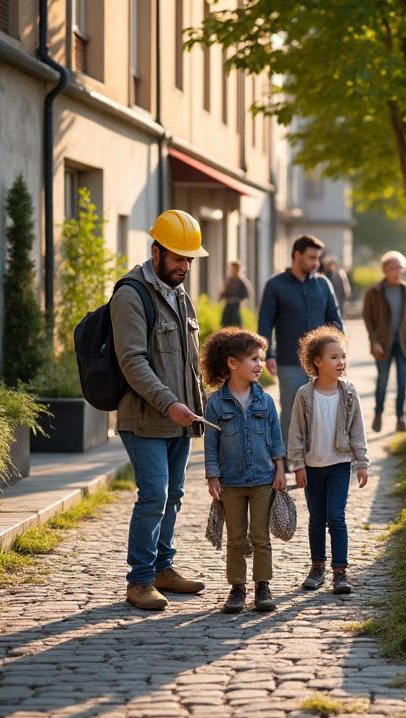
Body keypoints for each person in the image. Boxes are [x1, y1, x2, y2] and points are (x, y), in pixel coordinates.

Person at [111, 209, 209, 611]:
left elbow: (188, 359)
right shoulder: (130, 295)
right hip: (145, 419)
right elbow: (132, 361)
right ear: (156, 252)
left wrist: (200, 403)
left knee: (175, 496)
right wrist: (169, 403)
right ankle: (139, 580)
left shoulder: (179, 293)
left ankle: (164, 568)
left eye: (190, 259)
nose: (185, 266)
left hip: (179, 422)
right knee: (154, 495)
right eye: (178, 258)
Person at [201, 328, 285, 615]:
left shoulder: (266, 401)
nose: (259, 364)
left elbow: (276, 439)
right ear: (232, 363)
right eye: (253, 359)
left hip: (263, 479)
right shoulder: (215, 404)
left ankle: (263, 586)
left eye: (260, 358)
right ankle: (237, 588)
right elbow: (210, 443)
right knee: (236, 538)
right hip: (231, 482)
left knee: (261, 536)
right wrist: (213, 476)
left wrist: (280, 470)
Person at [288, 326, 369, 595]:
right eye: (334, 357)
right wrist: (297, 465)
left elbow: (357, 429)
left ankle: (340, 571)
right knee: (316, 518)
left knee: (336, 516)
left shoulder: (348, 392)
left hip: (339, 465)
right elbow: (296, 433)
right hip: (312, 467)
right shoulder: (304, 394)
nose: (341, 362)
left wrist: (362, 462)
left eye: (343, 356)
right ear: (317, 362)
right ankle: (317, 567)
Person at [258, 235, 344, 441]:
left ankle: (316, 457)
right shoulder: (275, 285)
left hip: (323, 362)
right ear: (297, 255)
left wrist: (340, 355)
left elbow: (335, 320)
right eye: (312, 257)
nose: (316, 263)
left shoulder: (323, 284)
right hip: (289, 360)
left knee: (323, 410)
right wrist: (267, 354)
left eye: (318, 258)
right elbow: (265, 322)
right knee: (291, 409)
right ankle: (287, 458)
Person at [362, 251, 406, 433]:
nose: (396, 271)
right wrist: (374, 341)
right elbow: (368, 319)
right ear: (385, 270)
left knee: (402, 382)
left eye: (399, 267)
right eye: (392, 268)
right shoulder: (374, 292)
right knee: (382, 381)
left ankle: (400, 417)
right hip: (382, 344)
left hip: (403, 343)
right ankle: (378, 414)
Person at [218, 260, 252, 328]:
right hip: (228, 306)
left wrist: (238, 300)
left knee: (236, 325)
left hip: (236, 306)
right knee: (224, 325)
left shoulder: (241, 281)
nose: (231, 271)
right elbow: (222, 294)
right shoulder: (228, 280)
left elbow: (246, 294)